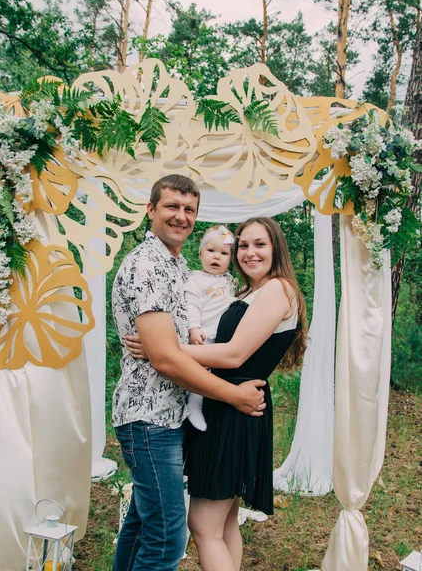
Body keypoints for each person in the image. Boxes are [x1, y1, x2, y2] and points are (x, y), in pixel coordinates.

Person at [129, 216, 308, 571]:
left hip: (233, 406)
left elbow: (233, 354)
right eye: (243, 245)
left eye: (260, 244)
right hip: (226, 401)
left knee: (203, 525)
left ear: (277, 248)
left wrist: (162, 349)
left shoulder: (278, 290)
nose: (249, 252)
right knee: (224, 521)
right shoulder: (247, 291)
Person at [111, 174, 266, 571]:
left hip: (172, 414)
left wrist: (169, 347)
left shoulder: (179, 267)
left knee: (143, 523)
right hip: (150, 419)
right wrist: (233, 395)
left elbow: (176, 344)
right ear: (150, 209)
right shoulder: (148, 265)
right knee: (166, 539)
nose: (181, 216)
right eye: (171, 207)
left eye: (189, 210)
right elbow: (164, 360)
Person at [185, 225, 236, 431]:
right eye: (211, 251)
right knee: (202, 372)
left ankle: (209, 405)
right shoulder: (196, 279)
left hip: (223, 337)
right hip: (204, 335)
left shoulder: (229, 280)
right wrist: (194, 328)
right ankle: (193, 406)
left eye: (224, 253)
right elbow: (191, 304)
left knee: (215, 373)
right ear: (200, 253)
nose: (217, 257)